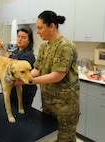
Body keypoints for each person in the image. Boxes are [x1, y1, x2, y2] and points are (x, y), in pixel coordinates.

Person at [30, 10, 80, 142]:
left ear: (51, 26)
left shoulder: (65, 46)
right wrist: (23, 77)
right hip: (48, 104)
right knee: (50, 137)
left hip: (65, 106)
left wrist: (29, 81)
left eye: (40, 28)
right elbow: (37, 69)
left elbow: (57, 76)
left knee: (65, 139)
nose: (38, 32)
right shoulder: (44, 47)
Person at [0, 27, 37, 110]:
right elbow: (9, 61)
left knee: (23, 112)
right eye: (19, 36)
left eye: (23, 37)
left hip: (25, 90)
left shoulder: (28, 56)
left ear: (29, 41)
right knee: (14, 109)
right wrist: (2, 48)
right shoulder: (17, 51)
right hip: (14, 89)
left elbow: (21, 75)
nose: (20, 39)